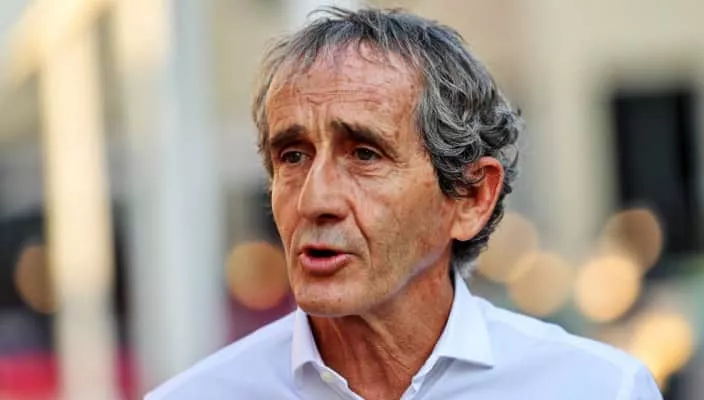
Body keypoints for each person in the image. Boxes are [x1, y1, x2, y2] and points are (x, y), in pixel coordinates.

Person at [147, 7, 662, 400]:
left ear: (471, 197)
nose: (315, 199)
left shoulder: (597, 389)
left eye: (364, 154)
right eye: (293, 156)